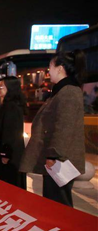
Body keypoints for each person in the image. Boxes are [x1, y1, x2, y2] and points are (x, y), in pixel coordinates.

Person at [20, 50, 86, 207]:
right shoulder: (61, 91)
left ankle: (64, 230)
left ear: (60, 68)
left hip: (59, 161)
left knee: (58, 203)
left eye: (50, 67)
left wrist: (54, 155)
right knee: (53, 200)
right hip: (56, 160)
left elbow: (64, 126)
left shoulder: (68, 91)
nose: (48, 71)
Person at [0, 77, 27, 189]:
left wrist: (5, 154)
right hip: (7, 152)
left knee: (8, 184)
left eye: (2, 87)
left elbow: (10, 132)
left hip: (9, 155)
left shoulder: (11, 106)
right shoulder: (7, 105)